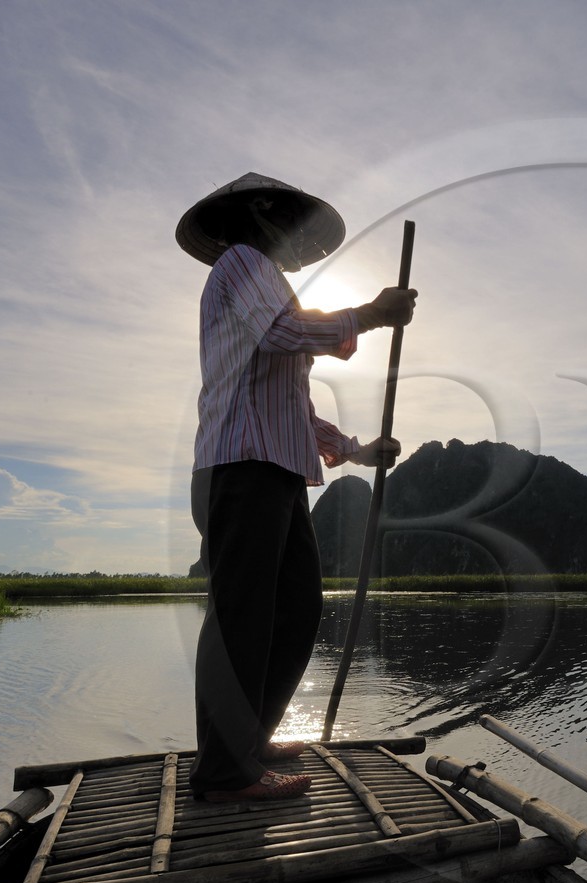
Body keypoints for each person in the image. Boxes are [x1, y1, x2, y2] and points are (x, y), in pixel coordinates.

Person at [175, 172, 416, 803]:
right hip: (239, 468)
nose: (299, 238)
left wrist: (356, 451)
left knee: (297, 608)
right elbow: (282, 333)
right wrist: (370, 314)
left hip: (277, 473)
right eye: (292, 221)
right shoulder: (241, 263)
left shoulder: (265, 281)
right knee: (242, 617)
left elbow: (294, 406)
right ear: (261, 209)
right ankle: (225, 770)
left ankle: (249, 739)